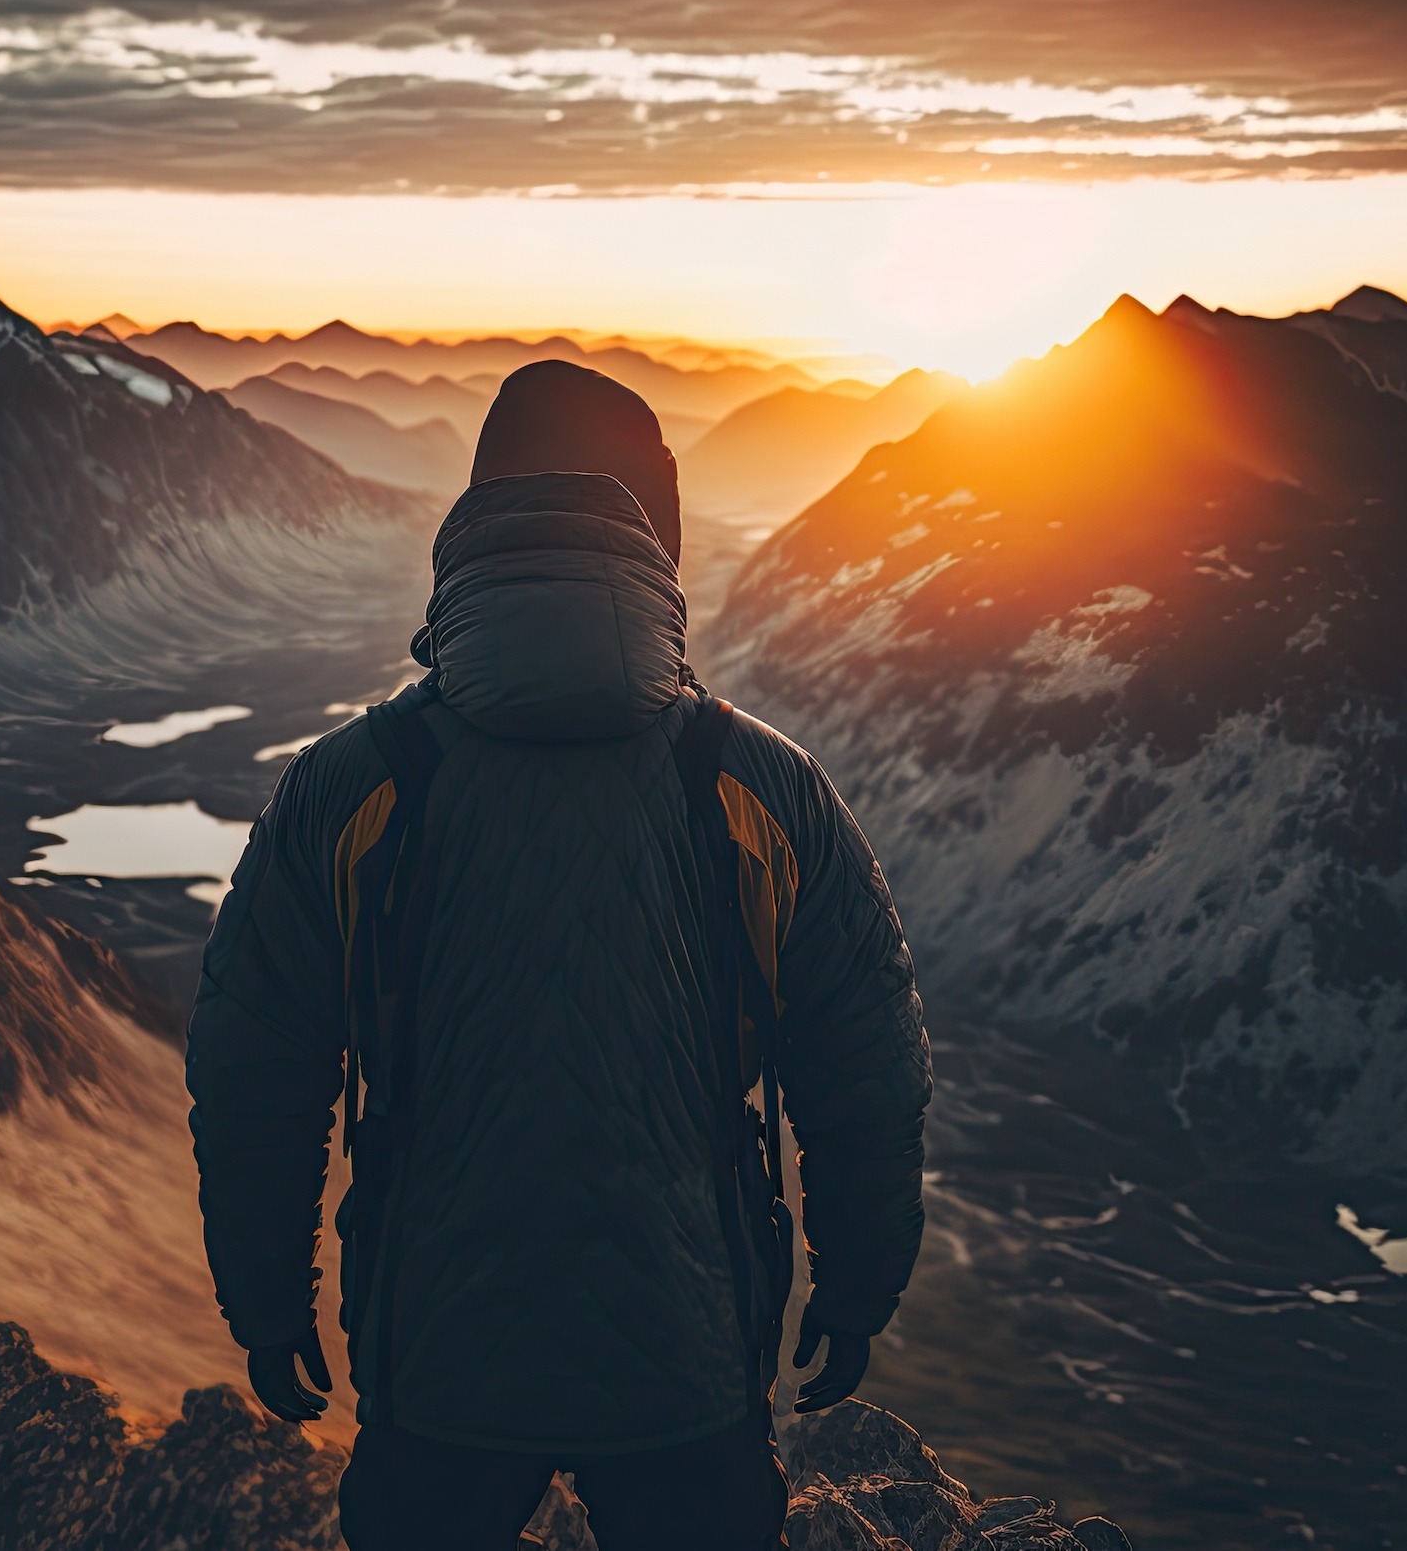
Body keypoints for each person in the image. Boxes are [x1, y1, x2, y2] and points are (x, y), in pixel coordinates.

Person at [186, 360, 933, 1551]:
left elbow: (255, 1062)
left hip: (437, 1363)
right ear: (661, 538)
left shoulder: (356, 784)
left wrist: (269, 1296)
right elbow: (866, 1059)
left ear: (479, 513)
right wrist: (855, 1283)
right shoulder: (760, 785)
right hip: (687, 1364)